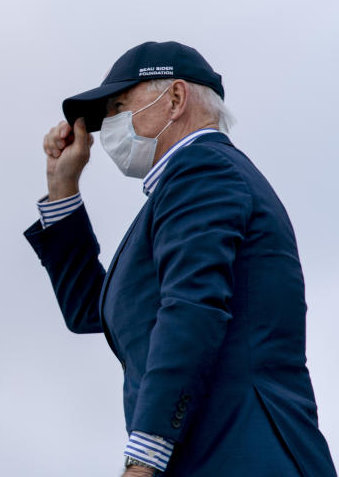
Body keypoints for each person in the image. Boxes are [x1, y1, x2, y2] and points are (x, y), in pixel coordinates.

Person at [24, 41, 336, 476]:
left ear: (174, 99)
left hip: (243, 454)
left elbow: (191, 308)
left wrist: (144, 458)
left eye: (118, 106)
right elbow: (90, 311)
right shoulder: (184, 184)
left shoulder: (202, 170)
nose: (107, 127)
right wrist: (63, 188)